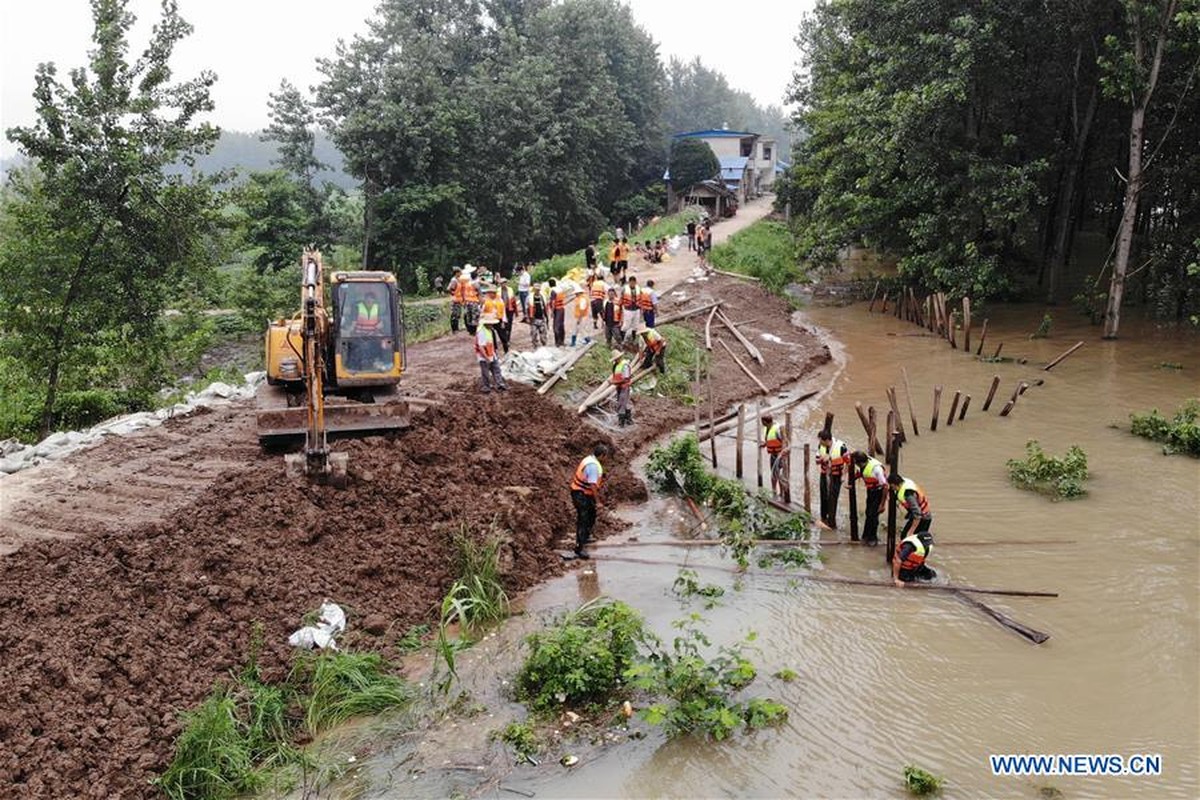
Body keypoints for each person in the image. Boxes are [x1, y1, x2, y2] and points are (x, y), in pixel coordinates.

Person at [888, 472, 935, 585]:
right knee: (907, 541)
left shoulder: (908, 493)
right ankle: (907, 565)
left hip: (922, 518)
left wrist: (911, 532)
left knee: (909, 542)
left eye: (891, 486)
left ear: (895, 484)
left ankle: (904, 568)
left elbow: (917, 514)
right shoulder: (904, 483)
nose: (891, 488)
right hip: (920, 516)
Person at [570, 443, 609, 559]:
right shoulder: (593, 466)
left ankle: (585, 537)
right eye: (606, 456)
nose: (606, 459)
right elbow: (593, 485)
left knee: (592, 514)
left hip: (583, 492)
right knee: (583, 519)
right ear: (602, 455)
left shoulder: (590, 459)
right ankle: (579, 548)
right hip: (580, 494)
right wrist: (597, 501)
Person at [851, 450, 888, 546]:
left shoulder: (876, 469)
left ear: (860, 462)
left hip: (878, 492)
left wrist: (882, 504)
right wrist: (851, 481)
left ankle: (873, 538)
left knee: (873, 515)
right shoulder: (863, 465)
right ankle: (866, 535)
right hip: (871, 491)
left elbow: (885, 486)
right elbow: (860, 473)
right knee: (868, 513)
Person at [816, 429, 849, 528]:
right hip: (824, 474)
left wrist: (844, 475)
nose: (819, 442)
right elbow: (817, 460)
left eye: (820, 440)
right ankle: (823, 517)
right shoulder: (820, 446)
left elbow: (848, 462)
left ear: (826, 440)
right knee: (823, 495)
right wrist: (822, 459)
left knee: (833, 498)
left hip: (836, 476)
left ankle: (832, 521)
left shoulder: (841, 447)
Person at [475, 313, 508, 393]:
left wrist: (494, 354)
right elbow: (481, 347)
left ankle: (500, 385)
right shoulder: (481, 331)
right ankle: (486, 387)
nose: (492, 325)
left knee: (496, 369)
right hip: (484, 355)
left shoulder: (489, 330)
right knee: (485, 372)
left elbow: (491, 343)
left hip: (491, 353)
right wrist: (486, 358)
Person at [761, 415, 787, 497]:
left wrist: (782, 452)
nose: (762, 423)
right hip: (773, 455)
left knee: (780, 474)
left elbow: (784, 441)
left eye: (762, 422)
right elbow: (769, 439)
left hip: (780, 455)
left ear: (765, 422)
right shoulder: (766, 429)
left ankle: (782, 493)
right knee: (773, 474)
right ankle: (774, 491)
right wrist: (764, 444)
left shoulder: (778, 429)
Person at [611, 348, 633, 426]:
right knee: (623, 402)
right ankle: (629, 420)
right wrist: (615, 382)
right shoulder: (616, 365)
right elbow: (615, 375)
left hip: (624, 386)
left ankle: (621, 423)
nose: (616, 360)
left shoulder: (625, 365)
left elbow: (625, 379)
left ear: (619, 357)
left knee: (621, 402)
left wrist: (614, 382)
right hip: (619, 386)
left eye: (616, 359)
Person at [460, 265, 481, 334]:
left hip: (467, 301)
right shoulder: (475, 283)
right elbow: (479, 292)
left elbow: (462, 291)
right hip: (474, 301)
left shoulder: (466, 282)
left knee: (469, 316)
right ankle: (474, 330)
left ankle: (470, 330)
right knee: (475, 315)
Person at [529, 283, 549, 347]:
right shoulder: (530, 298)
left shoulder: (543, 297)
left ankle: (544, 345)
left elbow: (546, 308)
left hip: (541, 318)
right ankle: (535, 346)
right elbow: (527, 308)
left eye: (538, 290)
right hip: (534, 319)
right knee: (534, 334)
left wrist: (546, 317)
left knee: (543, 335)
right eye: (536, 289)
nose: (537, 291)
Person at [500, 281, 518, 353]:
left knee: (509, 324)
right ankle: (505, 339)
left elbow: (513, 300)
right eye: (502, 283)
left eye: (504, 283)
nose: (503, 284)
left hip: (509, 309)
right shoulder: (498, 291)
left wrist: (516, 311)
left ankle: (508, 338)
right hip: (502, 309)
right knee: (504, 324)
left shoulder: (510, 290)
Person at [549, 278, 566, 346]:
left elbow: (553, 302)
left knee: (556, 326)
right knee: (561, 325)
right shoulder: (560, 289)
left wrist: (552, 312)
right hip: (562, 308)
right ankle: (562, 341)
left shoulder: (553, 291)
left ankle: (557, 342)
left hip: (557, 309)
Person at [448, 267, 463, 333]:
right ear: (456, 273)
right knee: (454, 314)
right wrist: (453, 294)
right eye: (460, 272)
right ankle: (454, 329)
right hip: (455, 300)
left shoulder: (458, 280)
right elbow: (449, 289)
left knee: (458, 314)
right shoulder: (454, 280)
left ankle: (457, 328)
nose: (461, 273)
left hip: (459, 299)